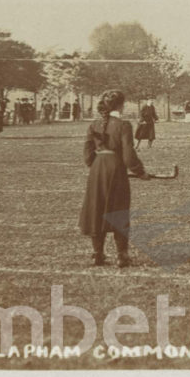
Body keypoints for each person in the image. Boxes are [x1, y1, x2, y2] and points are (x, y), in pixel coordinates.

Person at [80, 89, 148, 268]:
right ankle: (121, 256)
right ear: (120, 105)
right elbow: (128, 155)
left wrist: (97, 165)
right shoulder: (123, 125)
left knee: (97, 210)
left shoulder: (93, 124)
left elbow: (87, 154)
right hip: (116, 169)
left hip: (97, 169)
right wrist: (140, 171)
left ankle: (97, 254)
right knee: (118, 210)